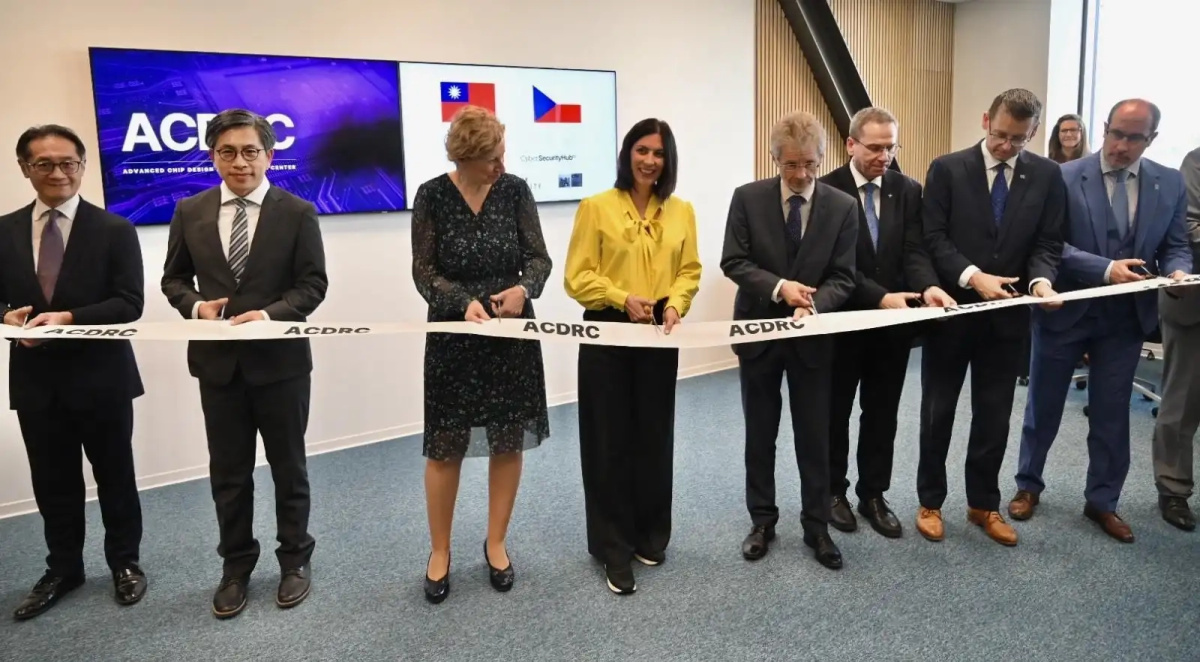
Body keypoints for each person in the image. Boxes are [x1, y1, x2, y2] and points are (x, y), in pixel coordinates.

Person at [161, 108, 328, 619]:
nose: (239, 162)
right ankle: (235, 566)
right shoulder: (189, 211)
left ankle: (295, 559)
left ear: (269, 156)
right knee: (229, 475)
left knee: (289, 468)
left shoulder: (297, 212)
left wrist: (269, 315)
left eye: (250, 151)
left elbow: (312, 285)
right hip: (219, 368)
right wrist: (196, 307)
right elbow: (173, 280)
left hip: (281, 364)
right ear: (213, 157)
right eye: (227, 152)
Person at [1010, 99, 1190, 542]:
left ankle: (1103, 502)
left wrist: (1179, 272)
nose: (1122, 146)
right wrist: (1105, 269)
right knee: (1043, 407)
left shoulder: (1169, 182)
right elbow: (1049, 244)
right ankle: (1028, 485)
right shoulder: (1064, 176)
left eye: (1134, 138)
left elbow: (1176, 245)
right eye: (1117, 134)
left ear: (1151, 139)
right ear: (1106, 128)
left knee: (1112, 415)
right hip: (1065, 310)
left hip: (1126, 320)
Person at [0, 124, 147, 620]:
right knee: (53, 482)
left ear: (83, 166)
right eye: (44, 163)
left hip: (102, 378)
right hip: (35, 381)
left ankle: (125, 562)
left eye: (68, 162)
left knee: (115, 477)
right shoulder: (2, 230)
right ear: (25, 168)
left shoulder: (114, 229)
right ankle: (63, 568)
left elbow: (129, 303)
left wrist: (68, 318)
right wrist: (7, 317)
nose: (58, 172)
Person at [411, 106, 552, 603]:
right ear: (465, 157)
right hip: (454, 337)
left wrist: (523, 289)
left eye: (502, 155)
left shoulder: (515, 191)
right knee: (445, 446)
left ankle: (496, 543)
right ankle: (440, 551)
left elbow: (539, 258)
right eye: (491, 158)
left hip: (510, 335)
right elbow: (423, 272)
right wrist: (460, 301)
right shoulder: (431, 196)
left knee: (507, 440)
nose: (500, 165)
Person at [916, 89, 1065, 547]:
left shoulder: (1047, 175)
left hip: (1007, 318)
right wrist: (973, 276)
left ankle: (983, 504)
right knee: (938, 411)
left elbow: (1048, 242)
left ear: (1033, 133)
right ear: (986, 120)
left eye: (1018, 139)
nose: (1005, 146)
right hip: (952, 312)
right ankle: (930, 502)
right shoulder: (947, 168)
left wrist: (1041, 283)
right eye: (999, 134)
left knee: (995, 415)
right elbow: (933, 237)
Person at [564, 117, 701, 594]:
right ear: (627, 154)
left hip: (659, 336)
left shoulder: (682, 211)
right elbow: (577, 277)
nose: (650, 160)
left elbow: (689, 271)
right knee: (608, 441)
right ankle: (613, 548)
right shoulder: (596, 207)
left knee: (654, 437)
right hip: (608, 332)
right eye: (642, 150)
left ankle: (649, 534)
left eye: (659, 153)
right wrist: (621, 298)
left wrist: (675, 304)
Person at [720, 111, 857, 569]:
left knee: (814, 436)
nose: (800, 175)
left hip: (812, 339)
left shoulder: (842, 206)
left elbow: (844, 276)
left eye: (810, 164)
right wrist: (781, 288)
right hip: (758, 334)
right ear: (774, 158)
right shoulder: (747, 198)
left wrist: (813, 305)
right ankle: (762, 521)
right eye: (791, 165)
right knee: (760, 434)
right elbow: (734, 261)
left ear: (822, 158)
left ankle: (817, 527)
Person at [818, 107, 954, 539]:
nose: (884, 156)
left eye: (891, 147)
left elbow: (914, 251)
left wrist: (928, 286)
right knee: (835, 413)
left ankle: (873, 493)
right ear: (851, 144)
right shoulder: (826, 190)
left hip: (893, 328)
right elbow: (832, 264)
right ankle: (832, 493)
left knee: (882, 414)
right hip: (842, 323)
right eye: (875, 147)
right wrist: (878, 296)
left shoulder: (907, 189)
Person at [1151, 144, 1200, 532]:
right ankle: (1173, 489)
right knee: (1181, 403)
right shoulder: (1196, 162)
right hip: (1192, 301)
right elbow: (1189, 227)